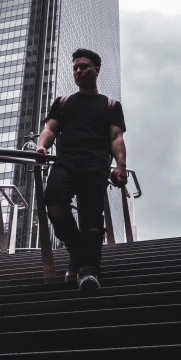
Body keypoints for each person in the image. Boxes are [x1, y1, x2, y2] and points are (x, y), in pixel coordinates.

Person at [36, 48, 127, 290]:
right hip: (65, 161)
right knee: (53, 199)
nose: (78, 71)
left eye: (84, 66)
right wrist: (42, 146)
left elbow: (116, 137)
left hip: (96, 163)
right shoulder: (63, 102)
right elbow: (50, 129)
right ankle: (77, 248)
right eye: (75, 67)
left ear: (96, 70)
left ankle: (89, 270)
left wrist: (120, 165)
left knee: (91, 217)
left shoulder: (110, 105)